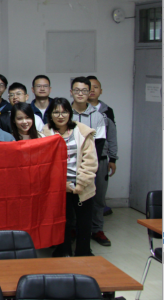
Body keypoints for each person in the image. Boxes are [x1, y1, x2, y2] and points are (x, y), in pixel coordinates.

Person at [41, 98, 98, 257]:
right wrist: (61, 184)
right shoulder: (44, 134)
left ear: (70, 113)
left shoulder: (82, 132)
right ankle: (63, 249)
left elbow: (90, 161)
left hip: (83, 185)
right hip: (58, 187)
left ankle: (83, 251)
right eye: (56, 112)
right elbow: (44, 164)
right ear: (50, 114)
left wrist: (81, 183)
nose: (60, 116)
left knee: (84, 222)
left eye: (64, 112)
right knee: (62, 221)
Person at [87, 75, 118, 246]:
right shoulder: (74, 110)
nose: (92, 90)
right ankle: (74, 228)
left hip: (102, 159)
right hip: (80, 160)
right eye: (88, 87)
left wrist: (113, 158)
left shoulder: (107, 111)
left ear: (101, 91)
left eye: (95, 87)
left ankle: (97, 229)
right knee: (77, 196)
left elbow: (112, 136)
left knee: (99, 197)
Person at [70, 77, 106, 158]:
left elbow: (99, 143)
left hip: (90, 161)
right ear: (71, 92)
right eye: (77, 90)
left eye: (84, 91)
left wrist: (91, 162)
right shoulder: (64, 114)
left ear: (89, 93)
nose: (80, 94)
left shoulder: (98, 116)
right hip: (68, 161)